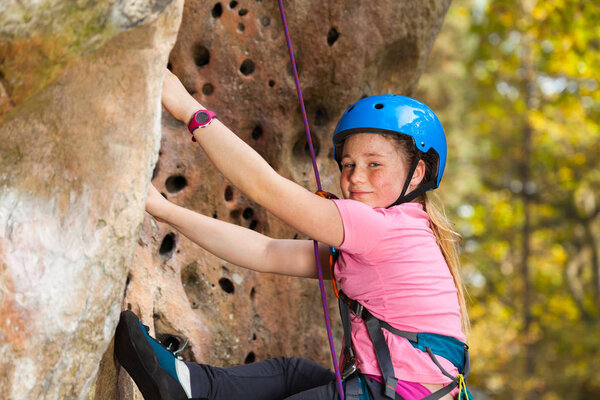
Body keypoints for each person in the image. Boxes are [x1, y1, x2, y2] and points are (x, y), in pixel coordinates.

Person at [114, 69, 471, 400]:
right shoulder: (404, 234)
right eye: (348, 164)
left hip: (388, 394)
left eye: (374, 164)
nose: (356, 177)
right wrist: (166, 210)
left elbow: (263, 187)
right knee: (294, 374)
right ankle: (189, 385)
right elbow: (267, 252)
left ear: (417, 172)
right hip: (399, 392)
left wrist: (187, 107)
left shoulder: (381, 227)